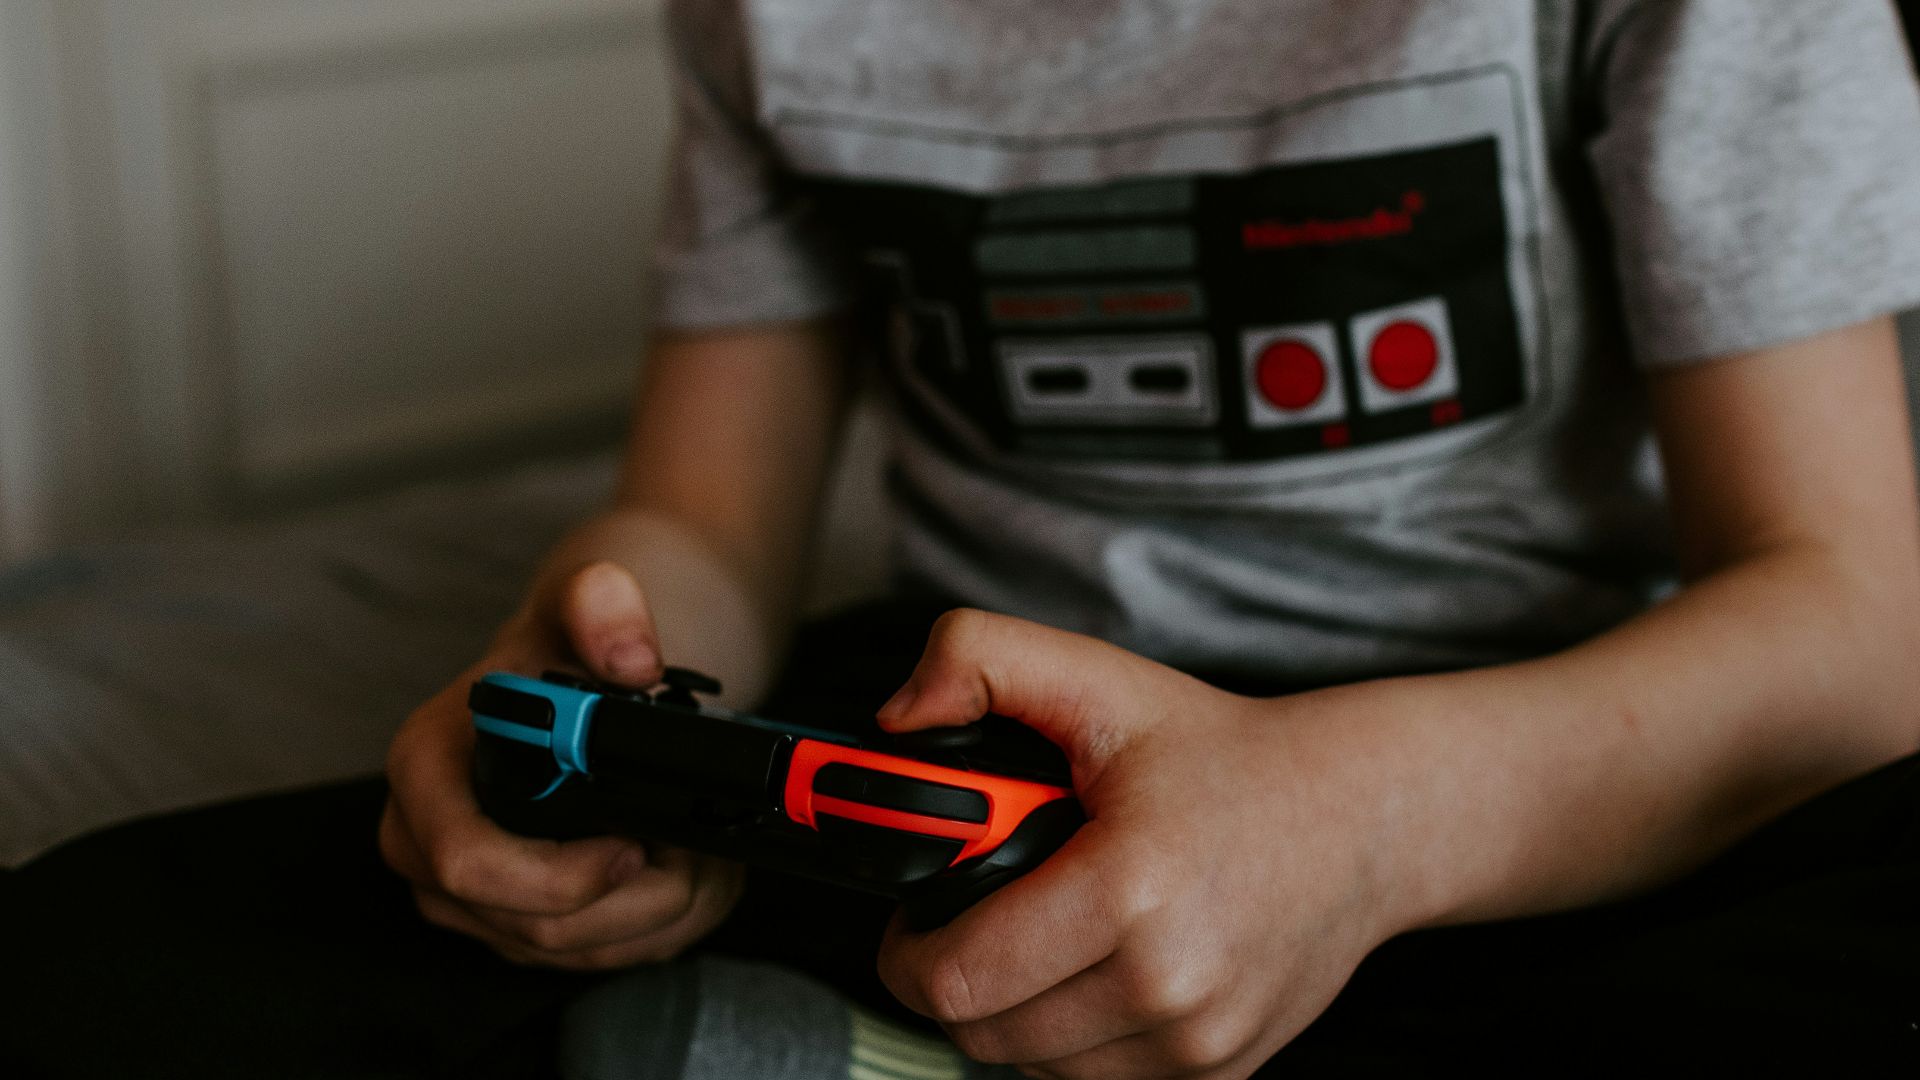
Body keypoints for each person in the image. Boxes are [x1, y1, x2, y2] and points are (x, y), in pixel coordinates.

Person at [6, 1, 1920, 1077]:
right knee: (92, 951)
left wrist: (1364, 826)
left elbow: (1852, 626)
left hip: (1546, 785)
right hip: (961, 767)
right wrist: (581, 695)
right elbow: (704, 519)